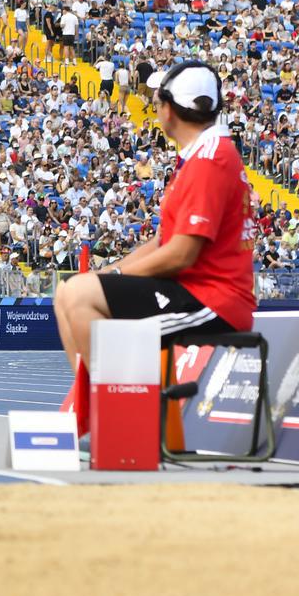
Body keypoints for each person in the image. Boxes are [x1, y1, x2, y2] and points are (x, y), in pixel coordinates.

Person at [54, 61, 255, 372]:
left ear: (169, 110)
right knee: (71, 290)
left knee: (79, 296)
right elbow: (165, 241)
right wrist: (108, 272)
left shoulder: (209, 159)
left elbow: (180, 254)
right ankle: (100, 406)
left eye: (158, 100)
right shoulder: (203, 154)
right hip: (195, 292)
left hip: (212, 302)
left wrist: (115, 277)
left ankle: (118, 409)